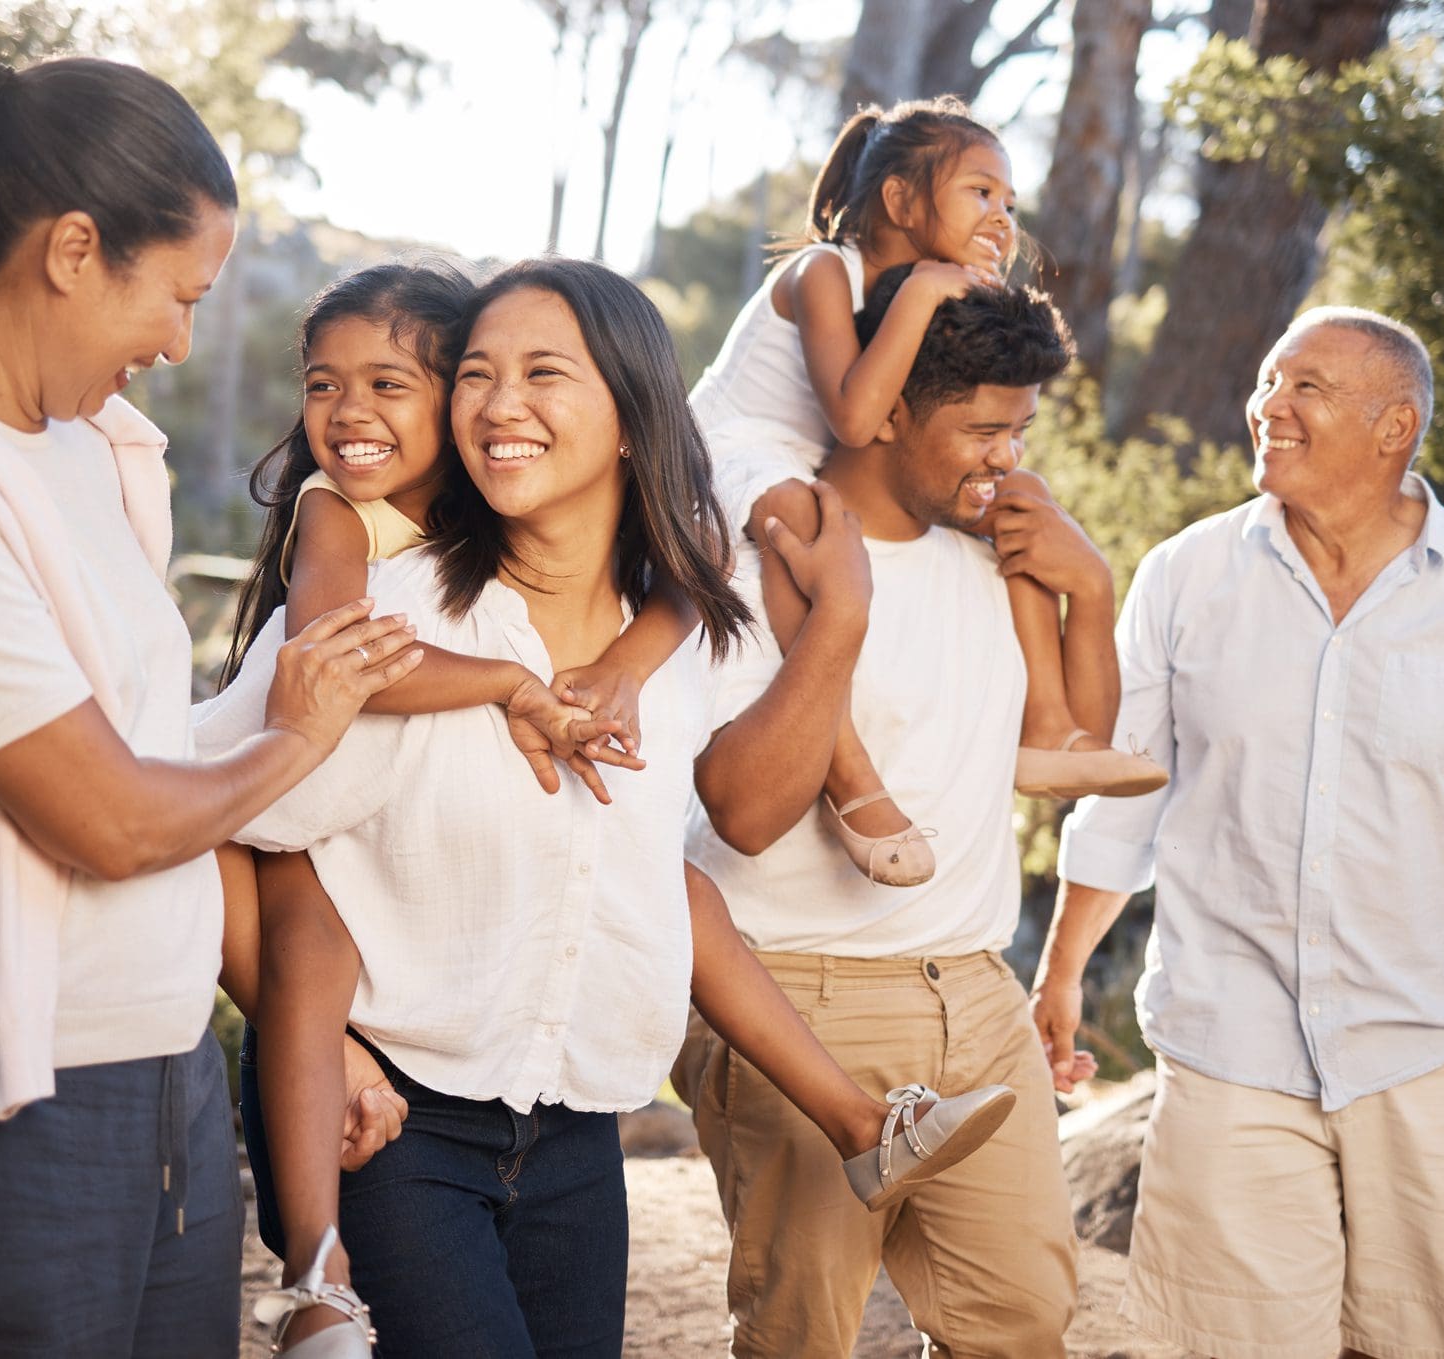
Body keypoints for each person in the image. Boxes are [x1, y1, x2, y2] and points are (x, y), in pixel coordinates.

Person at [0, 20, 422, 1356]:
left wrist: (280, 1009)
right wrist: (297, 729)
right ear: (68, 250)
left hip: (147, 1082)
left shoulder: (81, 443)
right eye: (175, 292)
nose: (176, 340)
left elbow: (159, 756)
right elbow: (109, 817)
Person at [192, 258, 1010, 1359]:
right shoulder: (389, 623)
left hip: (577, 1129)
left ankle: (864, 1121)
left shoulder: (672, 633)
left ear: (629, 417)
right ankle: (314, 1290)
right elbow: (204, 820)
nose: (499, 403)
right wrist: (324, 1040)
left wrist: (835, 622)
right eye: (476, 374)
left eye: (542, 372)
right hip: (401, 1125)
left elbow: (740, 814)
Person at [1033, 307, 1444, 1358]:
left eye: (1305, 387)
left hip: (1423, 1039)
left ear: (1394, 427)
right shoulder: (1182, 577)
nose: (1268, 406)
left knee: (1438, 1341)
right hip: (1227, 1035)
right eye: (1265, 380)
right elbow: (1122, 796)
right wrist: (1061, 972)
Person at [680, 265, 1099, 1358]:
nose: (1006, 456)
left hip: (973, 985)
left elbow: (1068, 752)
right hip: (800, 992)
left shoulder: (991, 554)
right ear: (886, 412)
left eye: (1018, 429)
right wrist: (839, 619)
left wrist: (1085, 587)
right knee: (799, 1338)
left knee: (1020, 1325)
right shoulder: (756, 551)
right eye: (980, 429)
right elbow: (740, 811)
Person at [688, 95, 1163, 887]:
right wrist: (922, 292)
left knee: (1022, 497)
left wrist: (1091, 584)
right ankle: (850, 779)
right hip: (730, 450)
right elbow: (853, 416)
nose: (1003, 216)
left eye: (1009, 201)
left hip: (807, 452)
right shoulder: (823, 271)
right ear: (900, 201)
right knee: (804, 534)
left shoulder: (910, 294)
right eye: (980, 192)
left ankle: (1049, 725)